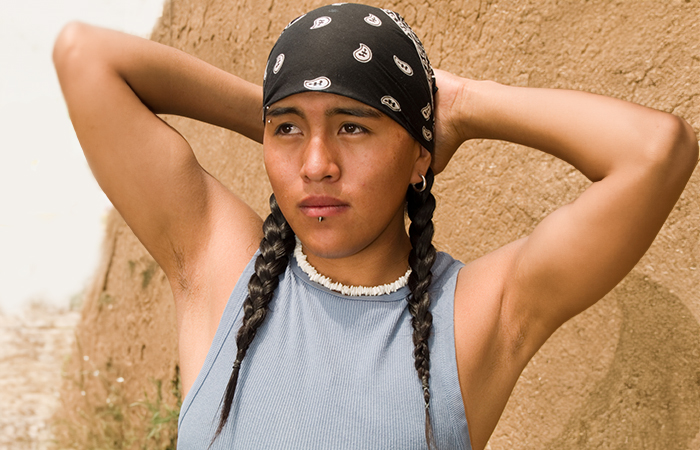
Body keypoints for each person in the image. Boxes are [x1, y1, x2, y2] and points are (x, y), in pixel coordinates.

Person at [53, 3, 697, 450]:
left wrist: (463, 105)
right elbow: (84, 55)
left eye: (354, 127)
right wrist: (299, 104)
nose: (316, 166)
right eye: (287, 133)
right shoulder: (217, 267)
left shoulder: (476, 314)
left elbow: (655, 152)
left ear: (421, 153)